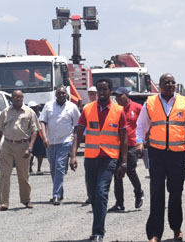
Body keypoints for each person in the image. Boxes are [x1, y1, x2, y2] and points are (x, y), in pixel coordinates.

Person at [136, 73, 185, 242]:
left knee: (176, 194)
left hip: (177, 155)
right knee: (156, 193)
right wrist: (139, 142)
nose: (170, 85)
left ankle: (176, 228)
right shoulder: (150, 103)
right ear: (160, 85)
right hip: (157, 154)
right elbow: (140, 126)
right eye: (166, 82)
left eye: (173, 82)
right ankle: (155, 233)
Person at [69, 78, 128, 242]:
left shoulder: (118, 110)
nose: (101, 92)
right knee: (93, 195)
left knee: (101, 194)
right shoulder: (88, 109)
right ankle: (99, 225)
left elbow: (123, 138)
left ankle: (98, 232)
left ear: (110, 91)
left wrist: (123, 162)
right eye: (99, 89)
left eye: (104, 89)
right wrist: (73, 156)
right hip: (91, 158)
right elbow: (78, 133)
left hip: (108, 157)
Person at [0, 90, 42, 211]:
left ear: (23, 98)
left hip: (23, 145)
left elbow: (35, 131)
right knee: (5, 174)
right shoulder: (5, 112)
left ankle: (26, 200)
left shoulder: (29, 112)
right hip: (7, 145)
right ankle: (3, 202)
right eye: (15, 97)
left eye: (20, 97)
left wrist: (30, 148)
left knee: (23, 175)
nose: (18, 99)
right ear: (12, 98)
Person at [40, 86, 80, 205]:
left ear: (66, 95)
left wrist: (74, 139)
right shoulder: (48, 106)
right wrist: (44, 137)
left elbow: (77, 125)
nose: (62, 95)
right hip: (50, 142)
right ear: (56, 94)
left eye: (64, 93)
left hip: (65, 141)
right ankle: (60, 192)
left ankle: (56, 195)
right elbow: (42, 121)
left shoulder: (72, 107)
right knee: (53, 169)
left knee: (59, 167)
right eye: (59, 93)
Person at [108, 87, 144, 212]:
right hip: (117, 145)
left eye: (119, 96)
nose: (117, 98)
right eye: (116, 96)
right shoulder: (115, 109)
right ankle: (119, 203)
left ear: (126, 95)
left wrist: (143, 141)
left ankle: (138, 192)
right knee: (117, 173)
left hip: (132, 144)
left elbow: (145, 122)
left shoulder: (137, 107)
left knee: (130, 170)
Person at [28, 101, 47, 175]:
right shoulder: (28, 115)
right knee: (31, 153)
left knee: (40, 153)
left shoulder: (41, 114)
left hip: (39, 136)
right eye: (34, 107)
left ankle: (39, 169)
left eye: (36, 106)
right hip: (31, 135)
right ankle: (30, 169)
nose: (36, 108)